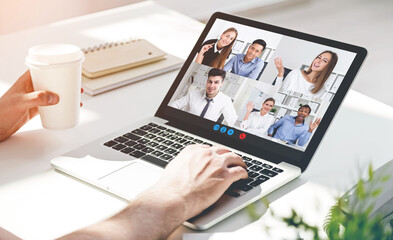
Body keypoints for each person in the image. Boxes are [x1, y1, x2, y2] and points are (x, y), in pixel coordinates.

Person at [0, 71, 249, 239]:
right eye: (210, 81)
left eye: (217, 83)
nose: (212, 85)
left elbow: (235, 123)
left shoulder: (226, 102)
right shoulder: (194, 94)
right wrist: (175, 196)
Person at [170, 68, 238, 126]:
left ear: (221, 83)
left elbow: (232, 120)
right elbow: (175, 104)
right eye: (210, 82)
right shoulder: (193, 94)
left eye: (216, 82)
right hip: (186, 126)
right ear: (207, 81)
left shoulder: (225, 100)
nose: (211, 86)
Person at [274, 51, 338, 98]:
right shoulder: (295, 73)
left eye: (324, 61)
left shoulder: (321, 89)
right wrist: (281, 73)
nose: (318, 61)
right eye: (319, 57)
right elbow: (276, 92)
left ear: (328, 67)